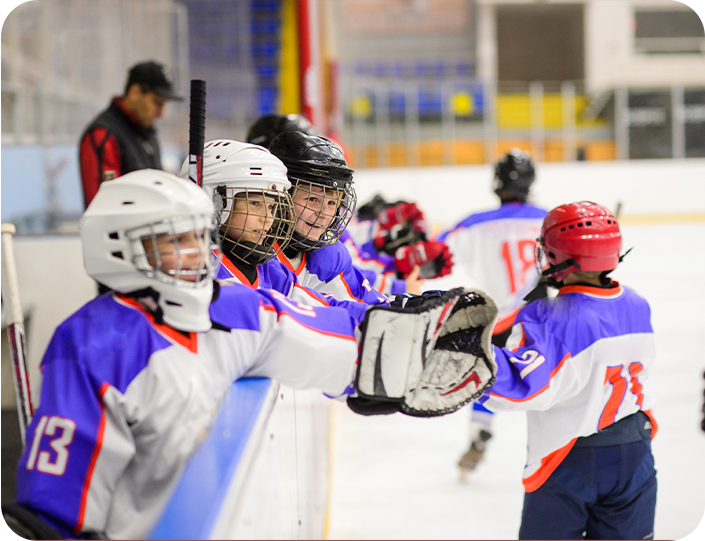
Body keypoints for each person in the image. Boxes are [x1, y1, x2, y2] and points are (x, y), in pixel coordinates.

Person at [7, 170, 498, 540]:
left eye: (200, 237)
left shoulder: (236, 307)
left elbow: (324, 332)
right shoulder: (89, 345)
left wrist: (406, 346)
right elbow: (58, 506)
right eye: (176, 241)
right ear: (118, 249)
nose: (199, 254)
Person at [478, 201, 657, 540]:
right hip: (635, 450)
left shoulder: (549, 317)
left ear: (559, 256)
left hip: (571, 457)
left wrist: (475, 359)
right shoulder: (638, 303)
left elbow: (523, 387)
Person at [432, 148, 548, 475]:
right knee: (552, 374)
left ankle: (479, 432)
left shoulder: (473, 224)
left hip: (496, 316)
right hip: (539, 314)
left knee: (488, 373)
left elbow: (434, 255)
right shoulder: (550, 218)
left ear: (496, 182)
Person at [187, 138, 369, 321]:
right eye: (256, 203)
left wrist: (372, 316)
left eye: (272, 207)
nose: (267, 218)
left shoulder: (267, 267)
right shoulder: (195, 269)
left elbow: (317, 305)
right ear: (213, 202)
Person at [267, 131, 389, 304]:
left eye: (332, 203)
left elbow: (367, 302)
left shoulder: (329, 253)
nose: (323, 214)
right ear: (281, 197)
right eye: (312, 199)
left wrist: (409, 304)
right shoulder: (257, 256)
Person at [79, 60, 183, 208]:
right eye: (157, 103)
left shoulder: (147, 132)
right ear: (134, 92)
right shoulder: (103, 136)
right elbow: (102, 209)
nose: (161, 113)